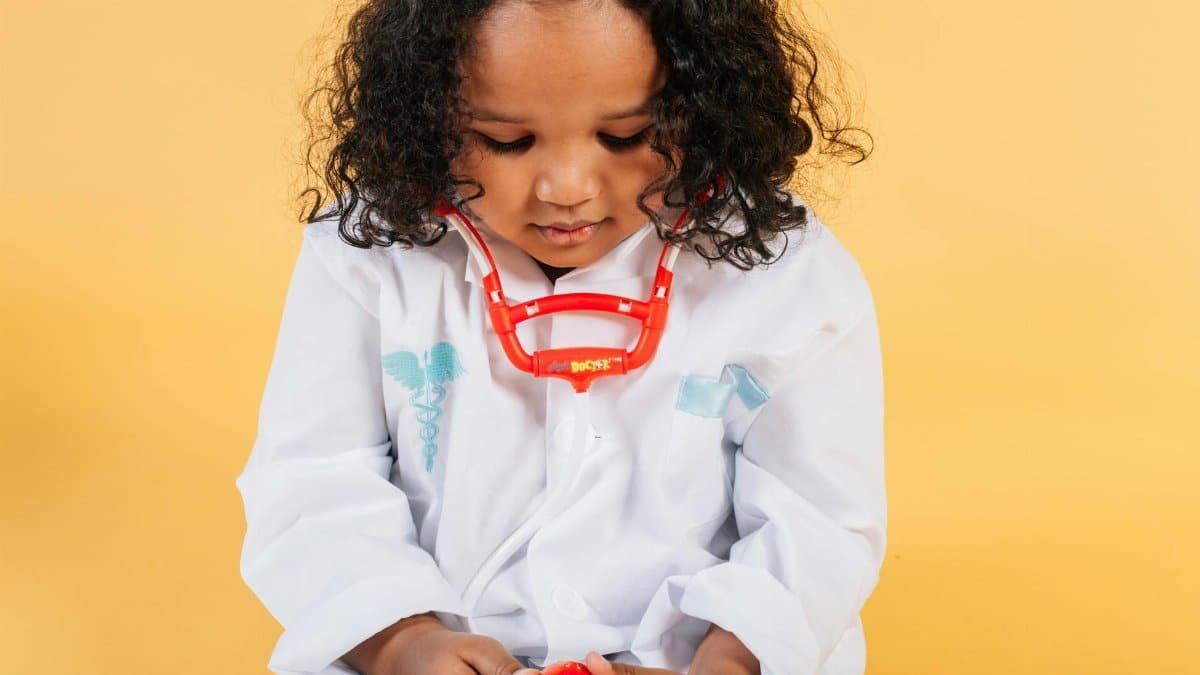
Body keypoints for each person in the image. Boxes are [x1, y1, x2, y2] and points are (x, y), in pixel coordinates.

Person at [234, 1, 885, 674]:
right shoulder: (365, 250)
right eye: (508, 142)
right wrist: (401, 640)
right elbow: (313, 482)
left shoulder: (783, 267)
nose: (567, 188)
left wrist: (732, 656)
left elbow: (818, 516)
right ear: (425, 118)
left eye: (628, 136)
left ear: (703, 105)